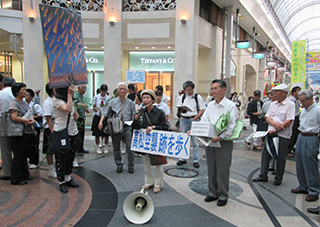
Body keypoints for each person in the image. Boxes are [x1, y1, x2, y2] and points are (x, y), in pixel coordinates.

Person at [199, 79, 238, 206]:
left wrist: (221, 137)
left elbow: (231, 125)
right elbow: (204, 120)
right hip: (210, 140)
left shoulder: (230, 106)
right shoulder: (210, 105)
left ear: (224, 89)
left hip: (224, 142)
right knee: (211, 167)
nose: (213, 91)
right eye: (211, 89)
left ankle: (223, 194)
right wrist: (196, 130)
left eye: (215, 89)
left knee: (222, 169)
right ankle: (212, 192)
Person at [253, 84, 295, 186]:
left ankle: (278, 177)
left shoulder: (290, 104)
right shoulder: (273, 104)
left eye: (276, 92)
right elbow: (267, 117)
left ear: (284, 93)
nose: (273, 94)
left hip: (282, 135)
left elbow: (289, 120)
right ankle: (263, 175)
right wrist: (275, 125)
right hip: (270, 133)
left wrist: (278, 128)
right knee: (265, 154)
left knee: (280, 156)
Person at [132, 89, 169, 193]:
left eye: (147, 98)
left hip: (156, 141)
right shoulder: (141, 112)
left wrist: (153, 127)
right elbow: (135, 127)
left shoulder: (159, 112)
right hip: (144, 142)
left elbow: (164, 127)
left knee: (157, 164)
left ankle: (158, 183)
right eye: (143, 98)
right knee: (146, 162)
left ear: (153, 100)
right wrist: (136, 117)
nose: (145, 100)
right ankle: (149, 181)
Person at [98, 82, 136, 174]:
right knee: (116, 148)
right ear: (118, 91)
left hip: (127, 128)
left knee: (130, 147)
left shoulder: (130, 103)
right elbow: (105, 113)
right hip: (115, 128)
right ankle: (119, 165)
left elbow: (134, 116)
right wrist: (100, 122)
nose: (122, 90)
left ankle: (131, 165)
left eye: (124, 89)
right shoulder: (112, 102)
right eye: (120, 89)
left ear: (127, 91)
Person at [291, 89, 320, 202]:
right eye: (300, 101)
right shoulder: (304, 111)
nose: (302, 104)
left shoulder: (317, 110)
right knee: (300, 163)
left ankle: (314, 190)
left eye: (303, 101)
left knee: (310, 164)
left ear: (311, 99)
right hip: (301, 136)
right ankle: (303, 186)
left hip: (311, 137)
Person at [52, 85, 79, 193]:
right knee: (61, 158)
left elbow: (72, 112)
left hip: (72, 131)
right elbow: (67, 109)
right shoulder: (56, 100)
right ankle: (61, 181)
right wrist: (69, 94)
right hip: (62, 132)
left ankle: (68, 178)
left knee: (70, 156)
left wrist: (75, 116)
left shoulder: (69, 99)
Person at [9, 83, 35, 185]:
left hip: (27, 131)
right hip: (19, 133)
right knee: (18, 156)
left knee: (25, 155)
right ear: (17, 92)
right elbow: (14, 117)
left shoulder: (24, 103)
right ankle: (16, 178)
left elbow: (30, 114)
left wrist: (31, 121)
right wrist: (25, 120)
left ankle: (25, 174)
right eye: (23, 90)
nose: (25, 92)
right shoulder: (14, 103)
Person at [176, 81, 206, 168]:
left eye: (190, 90)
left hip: (193, 119)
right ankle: (182, 158)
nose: (188, 92)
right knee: (183, 139)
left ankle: (196, 160)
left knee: (195, 140)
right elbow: (179, 108)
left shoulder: (197, 97)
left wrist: (197, 116)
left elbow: (203, 109)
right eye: (186, 90)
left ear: (193, 89)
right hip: (184, 119)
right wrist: (181, 111)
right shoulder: (182, 97)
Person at [0, 77, 16, 180]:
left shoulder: (1, 94)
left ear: (3, 84)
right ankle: (19, 170)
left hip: (3, 121)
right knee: (17, 148)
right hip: (16, 121)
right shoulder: (16, 93)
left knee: (5, 147)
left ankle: (7, 172)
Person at [25, 88, 43, 169]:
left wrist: (32, 117)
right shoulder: (23, 104)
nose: (25, 97)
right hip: (26, 127)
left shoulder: (35, 105)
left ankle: (35, 161)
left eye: (27, 95)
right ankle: (30, 159)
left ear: (32, 97)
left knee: (34, 144)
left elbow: (40, 114)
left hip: (34, 127)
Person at [42, 83, 57, 178]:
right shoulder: (47, 103)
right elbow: (48, 119)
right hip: (50, 129)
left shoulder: (56, 100)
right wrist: (52, 131)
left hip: (57, 127)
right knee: (49, 150)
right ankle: (51, 169)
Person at [92, 84, 110, 154]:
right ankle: (97, 147)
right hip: (97, 115)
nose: (103, 93)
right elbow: (93, 105)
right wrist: (95, 108)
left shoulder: (108, 98)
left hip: (105, 116)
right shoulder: (96, 97)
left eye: (105, 92)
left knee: (106, 133)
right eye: (102, 91)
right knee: (97, 133)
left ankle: (106, 147)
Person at [74, 85, 90, 154]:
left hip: (82, 116)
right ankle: (77, 149)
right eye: (83, 89)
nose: (85, 90)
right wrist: (81, 104)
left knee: (82, 133)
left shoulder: (81, 96)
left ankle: (81, 148)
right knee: (78, 134)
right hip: (78, 117)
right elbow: (74, 104)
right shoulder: (76, 95)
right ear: (79, 88)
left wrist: (85, 109)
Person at [286, 86, 301, 157]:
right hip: (293, 118)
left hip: (297, 117)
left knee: (295, 134)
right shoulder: (291, 100)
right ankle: (288, 149)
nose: (299, 93)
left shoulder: (297, 100)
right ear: (294, 92)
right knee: (293, 134)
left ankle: (290, 148)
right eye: (298, 91)